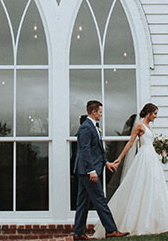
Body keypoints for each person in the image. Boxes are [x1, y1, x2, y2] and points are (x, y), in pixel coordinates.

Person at [93, 103, 168, 238]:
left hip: (152, 158)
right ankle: (137, 221)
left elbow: (148, 143)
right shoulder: (139, 126)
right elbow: (131, 143)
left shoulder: (148, 127)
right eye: (154, 113)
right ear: (148, 113)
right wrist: (119, 158)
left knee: (155, 187)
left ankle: (154, 220)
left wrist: (161, 150)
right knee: (141, 186)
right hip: (144, 158)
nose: (155, 116)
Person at [73, 100, 130, 240]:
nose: (101, 115)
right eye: (100, 112)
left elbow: (95, 150)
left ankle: (78, 233)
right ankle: (111, 230)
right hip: (88, 172)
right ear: (93, 112)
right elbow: (85, 150)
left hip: (86, 170)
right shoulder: (86, 127)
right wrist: (91, 171)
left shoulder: (93, 126)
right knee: (100, 200)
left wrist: (106, 162)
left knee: (82, 202)